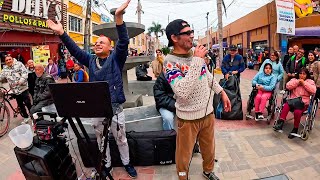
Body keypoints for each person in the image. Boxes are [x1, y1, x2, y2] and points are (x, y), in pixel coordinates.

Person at [47, 0, 137, 178]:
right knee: (101, 141)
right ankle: (107, 165)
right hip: (97, 110)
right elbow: (74, 50)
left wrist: (118, 17)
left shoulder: (116, 59)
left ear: (110, 47)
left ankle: (127, 163)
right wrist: (62, 33)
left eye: (102, 42)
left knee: (121, 139)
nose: (97, 44)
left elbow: (124, 41)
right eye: (96, 42)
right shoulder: (89, 60)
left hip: (116, 110)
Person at [164, 19, 231, 180]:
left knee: (209, 148)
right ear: (174, 38)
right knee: (183, 155)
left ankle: (208, 171)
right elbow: (182, 91)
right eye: (187, 33)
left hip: (207, 112)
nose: (192, 36)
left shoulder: (195, 57)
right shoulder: (170, 62)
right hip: (187, 119)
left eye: (192, 31)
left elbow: (207, 76)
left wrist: (221, 91)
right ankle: (182, 176)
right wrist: (197, 60)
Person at [273, 68, 316, 139]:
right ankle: (280, 123)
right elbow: (288, 86)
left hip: (303, 103)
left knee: (297, 112)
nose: (302, 75)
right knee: (286, 105)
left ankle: (295, 129)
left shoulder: (310, 81)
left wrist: (304, 83)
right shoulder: (294, 80)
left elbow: (313, 90)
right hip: (292, 101)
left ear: (307, 75)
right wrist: (298, 82)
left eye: (304, 74)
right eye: (300, 74)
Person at [0, 55, 32, 123]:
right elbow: (1, 77)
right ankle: (26, 117)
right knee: (20, 104)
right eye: (7, 60)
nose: (8, 61)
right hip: (15, 90)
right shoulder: (5, 69)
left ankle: (32, 116)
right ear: (5, 62)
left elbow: (25, 73)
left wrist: (20, 81)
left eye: (9, 59)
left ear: (12, 59)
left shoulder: (19, 64)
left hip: (23, 88)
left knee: (27, 103)